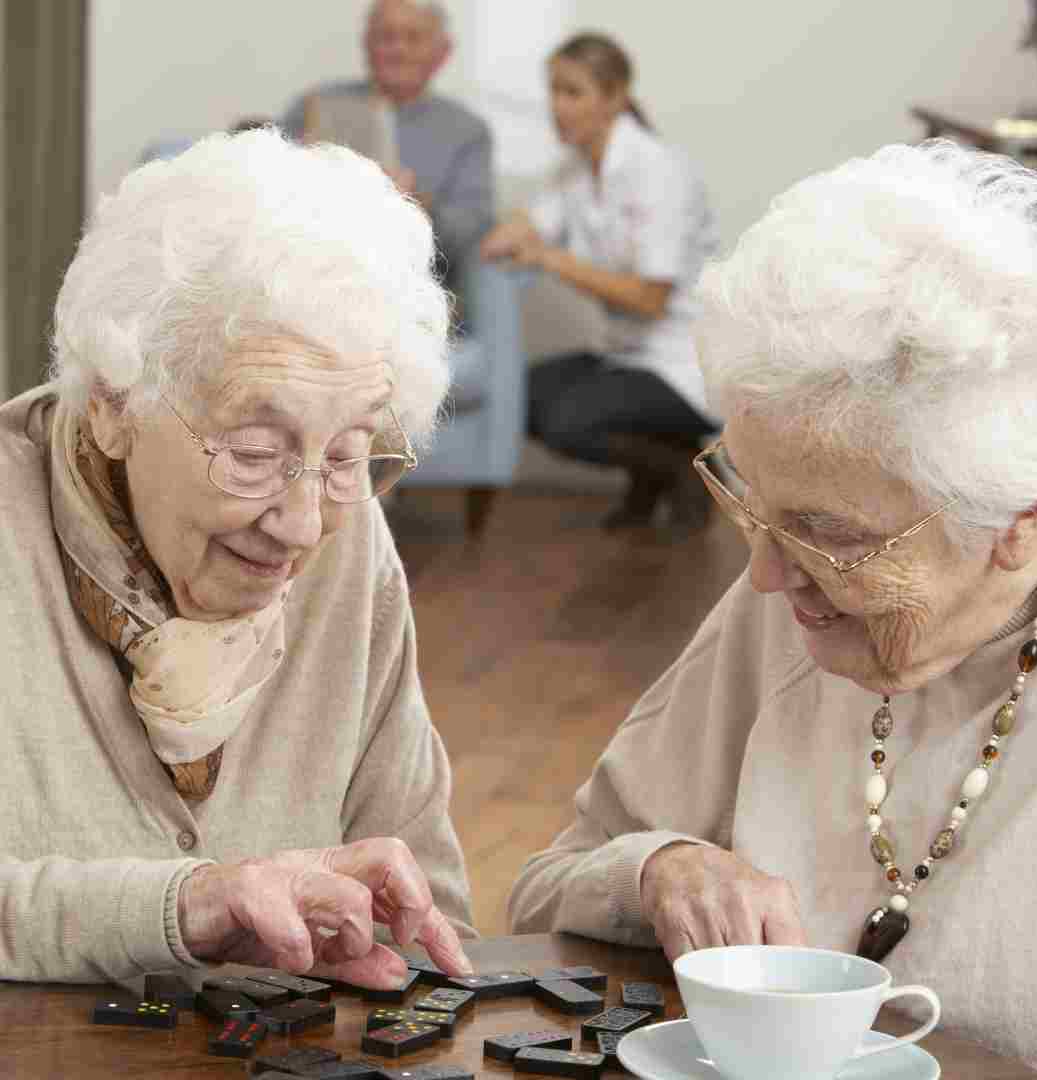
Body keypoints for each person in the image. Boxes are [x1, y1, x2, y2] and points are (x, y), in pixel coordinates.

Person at [508, 141, 1037, 1079]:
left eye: (830, 533)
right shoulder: (782, 610)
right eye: (750, 505)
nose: (769, 576)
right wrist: (660, 869)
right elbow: (543, 893)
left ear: (1024, 518)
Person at [0, 127, 476, 988]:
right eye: (254, 452)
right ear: (112, 407)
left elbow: (428, 905)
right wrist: (181, 907)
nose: (301, 526)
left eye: (346, 453)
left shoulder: (349, 532)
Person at [480, 32, 718, 532]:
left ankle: (681, 471)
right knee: (513, 394)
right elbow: (522, 228)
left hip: (683, 362)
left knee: (569, 420)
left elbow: (650, 299)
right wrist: (497, 237)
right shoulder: (575, 170)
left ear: (614, 97)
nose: (557, 107)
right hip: (624, 354)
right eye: (553, 91)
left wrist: (550, 258)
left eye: (573, 92)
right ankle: (657, 472)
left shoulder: (658, 171)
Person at [282, 0, 493, 286]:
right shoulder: (316, 105)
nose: (398, 49)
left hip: (411, 282)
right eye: (386, 37)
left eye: (413, 38)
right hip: (309, 267)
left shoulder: (468, 131)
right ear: (367, 44)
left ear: (443, 53)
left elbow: (470, 229)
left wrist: (417, 205)